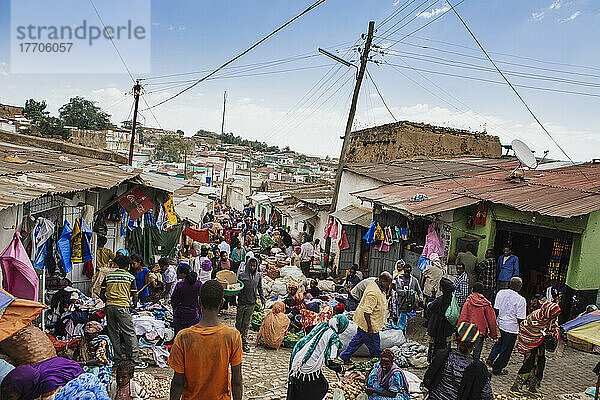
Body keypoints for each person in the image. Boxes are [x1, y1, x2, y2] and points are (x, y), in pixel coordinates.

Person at [168, 280, 243, 400]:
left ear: (199, 301)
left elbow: (178, 382)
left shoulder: (183, 337)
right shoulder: (232, 336)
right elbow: (237, 380)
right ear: (222, 302)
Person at [422, 322, 493, 400]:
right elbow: (487, 396)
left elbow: (428, 379)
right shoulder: (480, 369)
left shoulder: (442, 355)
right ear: (475, 345)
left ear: (456, 340)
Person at [288, 314, 349, 400]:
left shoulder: (323, 325)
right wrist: (341, 369)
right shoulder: (333, 337)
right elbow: (329, 362)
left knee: (300, 391)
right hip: (307, 368)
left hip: (298, 360)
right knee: (321, 388)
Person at [100, 255, 145, 368]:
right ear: (128, 265)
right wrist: (134, 304)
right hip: (123, 307)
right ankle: (135, 360)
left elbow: (101, 294)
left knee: (113, 333)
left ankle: (117, 358)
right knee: (129, 333)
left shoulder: (109, 276)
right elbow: (135, 295)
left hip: (110, 307)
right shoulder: (130, 277)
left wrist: (108, 301)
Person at [339, 272, 392, 363]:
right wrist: (370, 328)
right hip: (369, 324)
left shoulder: (375, 284)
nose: (389, 286)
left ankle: (344, 356)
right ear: (383, 281)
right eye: (388, 283)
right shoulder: (373, 293)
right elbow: (367, 312)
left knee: (357, 340)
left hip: (367, 322)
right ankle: (374, 362)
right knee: (375, 347)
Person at [510, 301, 561, 396]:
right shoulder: (535, 317)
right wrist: (539, 336)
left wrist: (552, 333)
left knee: (539, 365)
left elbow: (553, 327)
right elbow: (526, 330)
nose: (555, 318)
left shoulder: (550, 319)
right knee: (528, 364)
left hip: (540, 346)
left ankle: (532, 387)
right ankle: (515, 386)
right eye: (554, 315)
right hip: (531, 344)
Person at [487, 276, 526, 376]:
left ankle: (490, 359)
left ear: (509, 284)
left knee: (498, 344)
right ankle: (497, 368)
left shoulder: (501, 293)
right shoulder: (521, 300)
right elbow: (520, 318)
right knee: (506, 350)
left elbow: (496, 309)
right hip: (512, 328)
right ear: (520, 287)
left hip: (500, 323)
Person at [0, 357, 84, 400]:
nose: (7, 397)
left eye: (11, 396)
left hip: (76, 375)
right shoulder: (26, 373)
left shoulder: (49, 385)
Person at [457, 282, 498, 360]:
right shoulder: (486, 304)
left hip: (467, 332)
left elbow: (463, 317)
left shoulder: (468, 302)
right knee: (476, 354)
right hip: (479, 332)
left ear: (472, 290)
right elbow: (492, 321)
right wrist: (494, 335)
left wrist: (459, 332)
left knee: (464, 353)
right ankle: (474, 368)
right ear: (482, 291)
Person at [236, 257, 265, 352]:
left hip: (251, 303)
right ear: (248, 266)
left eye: (254, 266)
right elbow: (237, 287)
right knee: (238, 324)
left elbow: (260, 288)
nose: (252, 267)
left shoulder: (258, 276)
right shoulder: (241, 276)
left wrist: (262, 299)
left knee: (246, 324)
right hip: (242, 302)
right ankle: (236, 342)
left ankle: (244, 343)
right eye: (251, 265)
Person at [74, 321, 114, 386]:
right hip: (87, 363)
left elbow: (99, 360)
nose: (87, 336)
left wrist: (82, 363)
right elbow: (76, 352)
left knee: (102, 381)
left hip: (100, 364)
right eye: (86, 333)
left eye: (90, 334)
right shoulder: (83, 340)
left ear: (96, 333)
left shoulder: (102, 341)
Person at [425, 277, 455, 363]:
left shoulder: (439, 300)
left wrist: (432, 296)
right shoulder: (452, 300)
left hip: (435, 328)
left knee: (433, 347)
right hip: (447, 330)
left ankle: (432, 362)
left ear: (442, 288)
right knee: (445, 348)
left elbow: (429, 308)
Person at [389, 263, 423, 332]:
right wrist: (407, 292)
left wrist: (421, 298)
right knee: (401, 316)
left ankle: (402, 329)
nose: (407, 273)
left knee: (405, 317)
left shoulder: (414, 280)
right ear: (403, 270)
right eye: (406, 271)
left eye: (409, 271)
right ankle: (400, 330)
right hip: (401, 301)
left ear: (411, 271)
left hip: (410, 302)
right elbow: (398, 290)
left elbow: (419, 291)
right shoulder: (399, 279)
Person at [171, 263, 202, 335]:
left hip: (180, 315)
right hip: (193, 315)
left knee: (180, 337)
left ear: (183, 274)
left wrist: (175, 310)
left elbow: (174, 300)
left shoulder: (180, 284)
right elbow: (201, 300)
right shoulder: (199, 284)